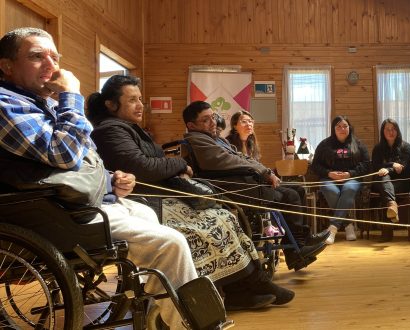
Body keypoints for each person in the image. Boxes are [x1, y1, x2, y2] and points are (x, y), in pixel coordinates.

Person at [0, 27, 198, 328]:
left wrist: (110, 177)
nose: (51, 66)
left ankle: (162, 313)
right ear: (7, 66)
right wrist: (70, 96)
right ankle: (182, 322)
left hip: (79, 201)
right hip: (56, 212)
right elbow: (63, 155)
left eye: (54, 57)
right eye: (36, 57)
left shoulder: (47, 103)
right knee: (170, 243)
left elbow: (81, 158)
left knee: (145, 211)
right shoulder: (6, 103)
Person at [88, 75, 293, 310]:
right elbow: (142, 167)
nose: (140, 105)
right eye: (132, 100)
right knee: (213, 222)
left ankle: (242, 289)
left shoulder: (128, 129)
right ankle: (246, 285)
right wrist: (179, 165)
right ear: (111, 105)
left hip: (158, 196)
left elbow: (153, 162)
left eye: (141, 99)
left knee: (224, 215)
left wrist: (172, 165)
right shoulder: (110, 131)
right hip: (143, 201)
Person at [181, 101, 328, 265]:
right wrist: (264, 173)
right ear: (191, 125)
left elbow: (244, 158)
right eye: (206, 120)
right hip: (237, 187)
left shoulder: (217, 139)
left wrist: (268, 172)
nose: (213, 122)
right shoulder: (197, 140)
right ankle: (296, 251)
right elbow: (228, 161)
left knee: (299, 190)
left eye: (213, 117)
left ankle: (304, 241)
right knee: (291, 195)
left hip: (247, 180)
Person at [311, 115, 370, 244]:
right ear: (333, 129)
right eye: (338, 126)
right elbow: (315, 166)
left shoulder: (359, 144)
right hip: (329, 179)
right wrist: (329, 173)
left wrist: (350, 174)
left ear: (350, 128)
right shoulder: (324, 144)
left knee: (348, 189)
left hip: (353, 179)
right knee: (330, 190)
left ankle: (333, 228)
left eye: (345, 126)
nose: (342, 129)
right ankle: (348, 225)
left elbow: (366, 165)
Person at [371, 118, 410, 242]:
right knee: (383, 179)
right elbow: (375, 167)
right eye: (387, 129)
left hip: (402, 182)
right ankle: (392, 205)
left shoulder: (406, 147)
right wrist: (391, 166)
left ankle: (387, 228)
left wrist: (388, 168)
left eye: (393, 129)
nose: (391, 132)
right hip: (381, 182)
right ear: (382, 132)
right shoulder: (378, 148)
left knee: (386, 190)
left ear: (398, 130)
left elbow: (404, 169)